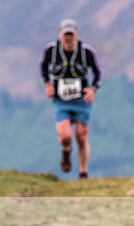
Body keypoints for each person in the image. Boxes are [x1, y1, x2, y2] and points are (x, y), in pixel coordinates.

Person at [40, 19, 103, 179]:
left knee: (82, 136)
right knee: (65, 135)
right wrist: (48, 84)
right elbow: (43, 67)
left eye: (71, 34)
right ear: (60, 35)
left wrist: (93, 89)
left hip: (81, 100)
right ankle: (66, 151)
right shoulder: (51, 51)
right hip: (61, 101)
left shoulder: (86, 52)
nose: (68, 38)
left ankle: (83, 171)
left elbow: (97, 72)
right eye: (65, 34)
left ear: (76, 35)